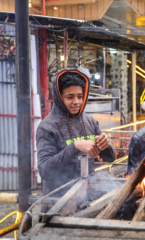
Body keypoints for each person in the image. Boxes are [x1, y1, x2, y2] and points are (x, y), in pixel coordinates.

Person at [36, 68, 116, 210]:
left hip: (87, 200)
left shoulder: (90, 122)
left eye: (80, 96)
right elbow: (45, 170)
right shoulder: (48, 127)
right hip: (58, 205)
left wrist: (106, 145)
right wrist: (74, 147)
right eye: (70, 97)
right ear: (59, 97)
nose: (76, 102)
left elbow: (110, 158)